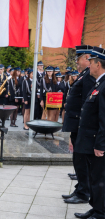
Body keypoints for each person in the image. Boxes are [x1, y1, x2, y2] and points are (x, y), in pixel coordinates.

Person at [73, 46, 105, 219]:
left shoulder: (104, 85)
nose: (89, 65)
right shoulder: (99, 83)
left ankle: (101, 214)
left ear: (98, 64)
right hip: (91, 141)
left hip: (98, 143)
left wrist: (101, 144)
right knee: (94, 177)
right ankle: (96, 207)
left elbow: (104, 119)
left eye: (91, 62)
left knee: (99, 178)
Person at [62, 45, 96, 204]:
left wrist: (82, 126)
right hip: (76, 124)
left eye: (79, 58)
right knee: (78, 159)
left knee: (81, 159)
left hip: (80, 124)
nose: (76, 61)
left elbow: (87, 103)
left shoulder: (89, 76)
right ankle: (81, 188)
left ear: (87, 58)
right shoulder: (84, 74)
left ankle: (83, 192)